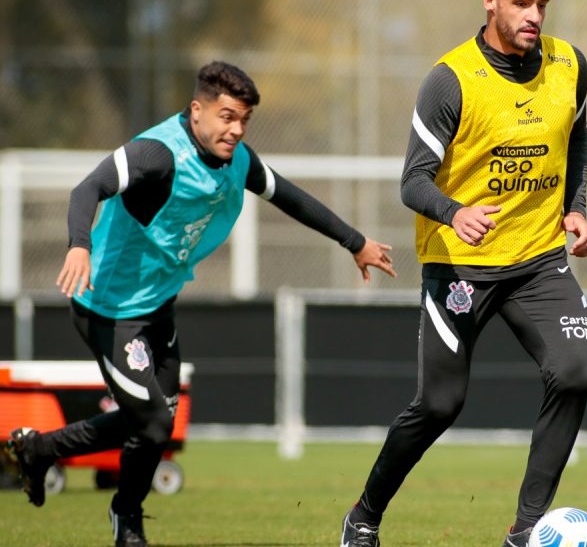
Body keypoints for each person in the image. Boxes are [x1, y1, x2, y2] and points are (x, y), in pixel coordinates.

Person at [1, 61, 396, 547]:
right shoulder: (158, 155)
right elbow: (88, 188)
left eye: (244, 121)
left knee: (153, 425)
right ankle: (125, 520)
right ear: (197, 110)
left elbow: (288, 196)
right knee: (153, 422)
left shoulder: (238, 160)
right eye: (227, 117)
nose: (235, 130)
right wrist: (78, 243)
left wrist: (354, 241)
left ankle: (42, 450)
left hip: (157, 306)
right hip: (107, 308)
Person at [338, 0, 587, 546]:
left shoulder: (570, 65)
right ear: (490, 2)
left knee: (575, 373)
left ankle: (528, 531)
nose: (535, 16)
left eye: (542, 5)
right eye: (522, 3)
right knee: (439, 404)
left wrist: (575, 208)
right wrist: (457, 213)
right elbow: (412, 182)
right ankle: (365, 515)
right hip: (460, 268)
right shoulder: (449, 80)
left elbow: (575, 136)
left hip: (538, 262)